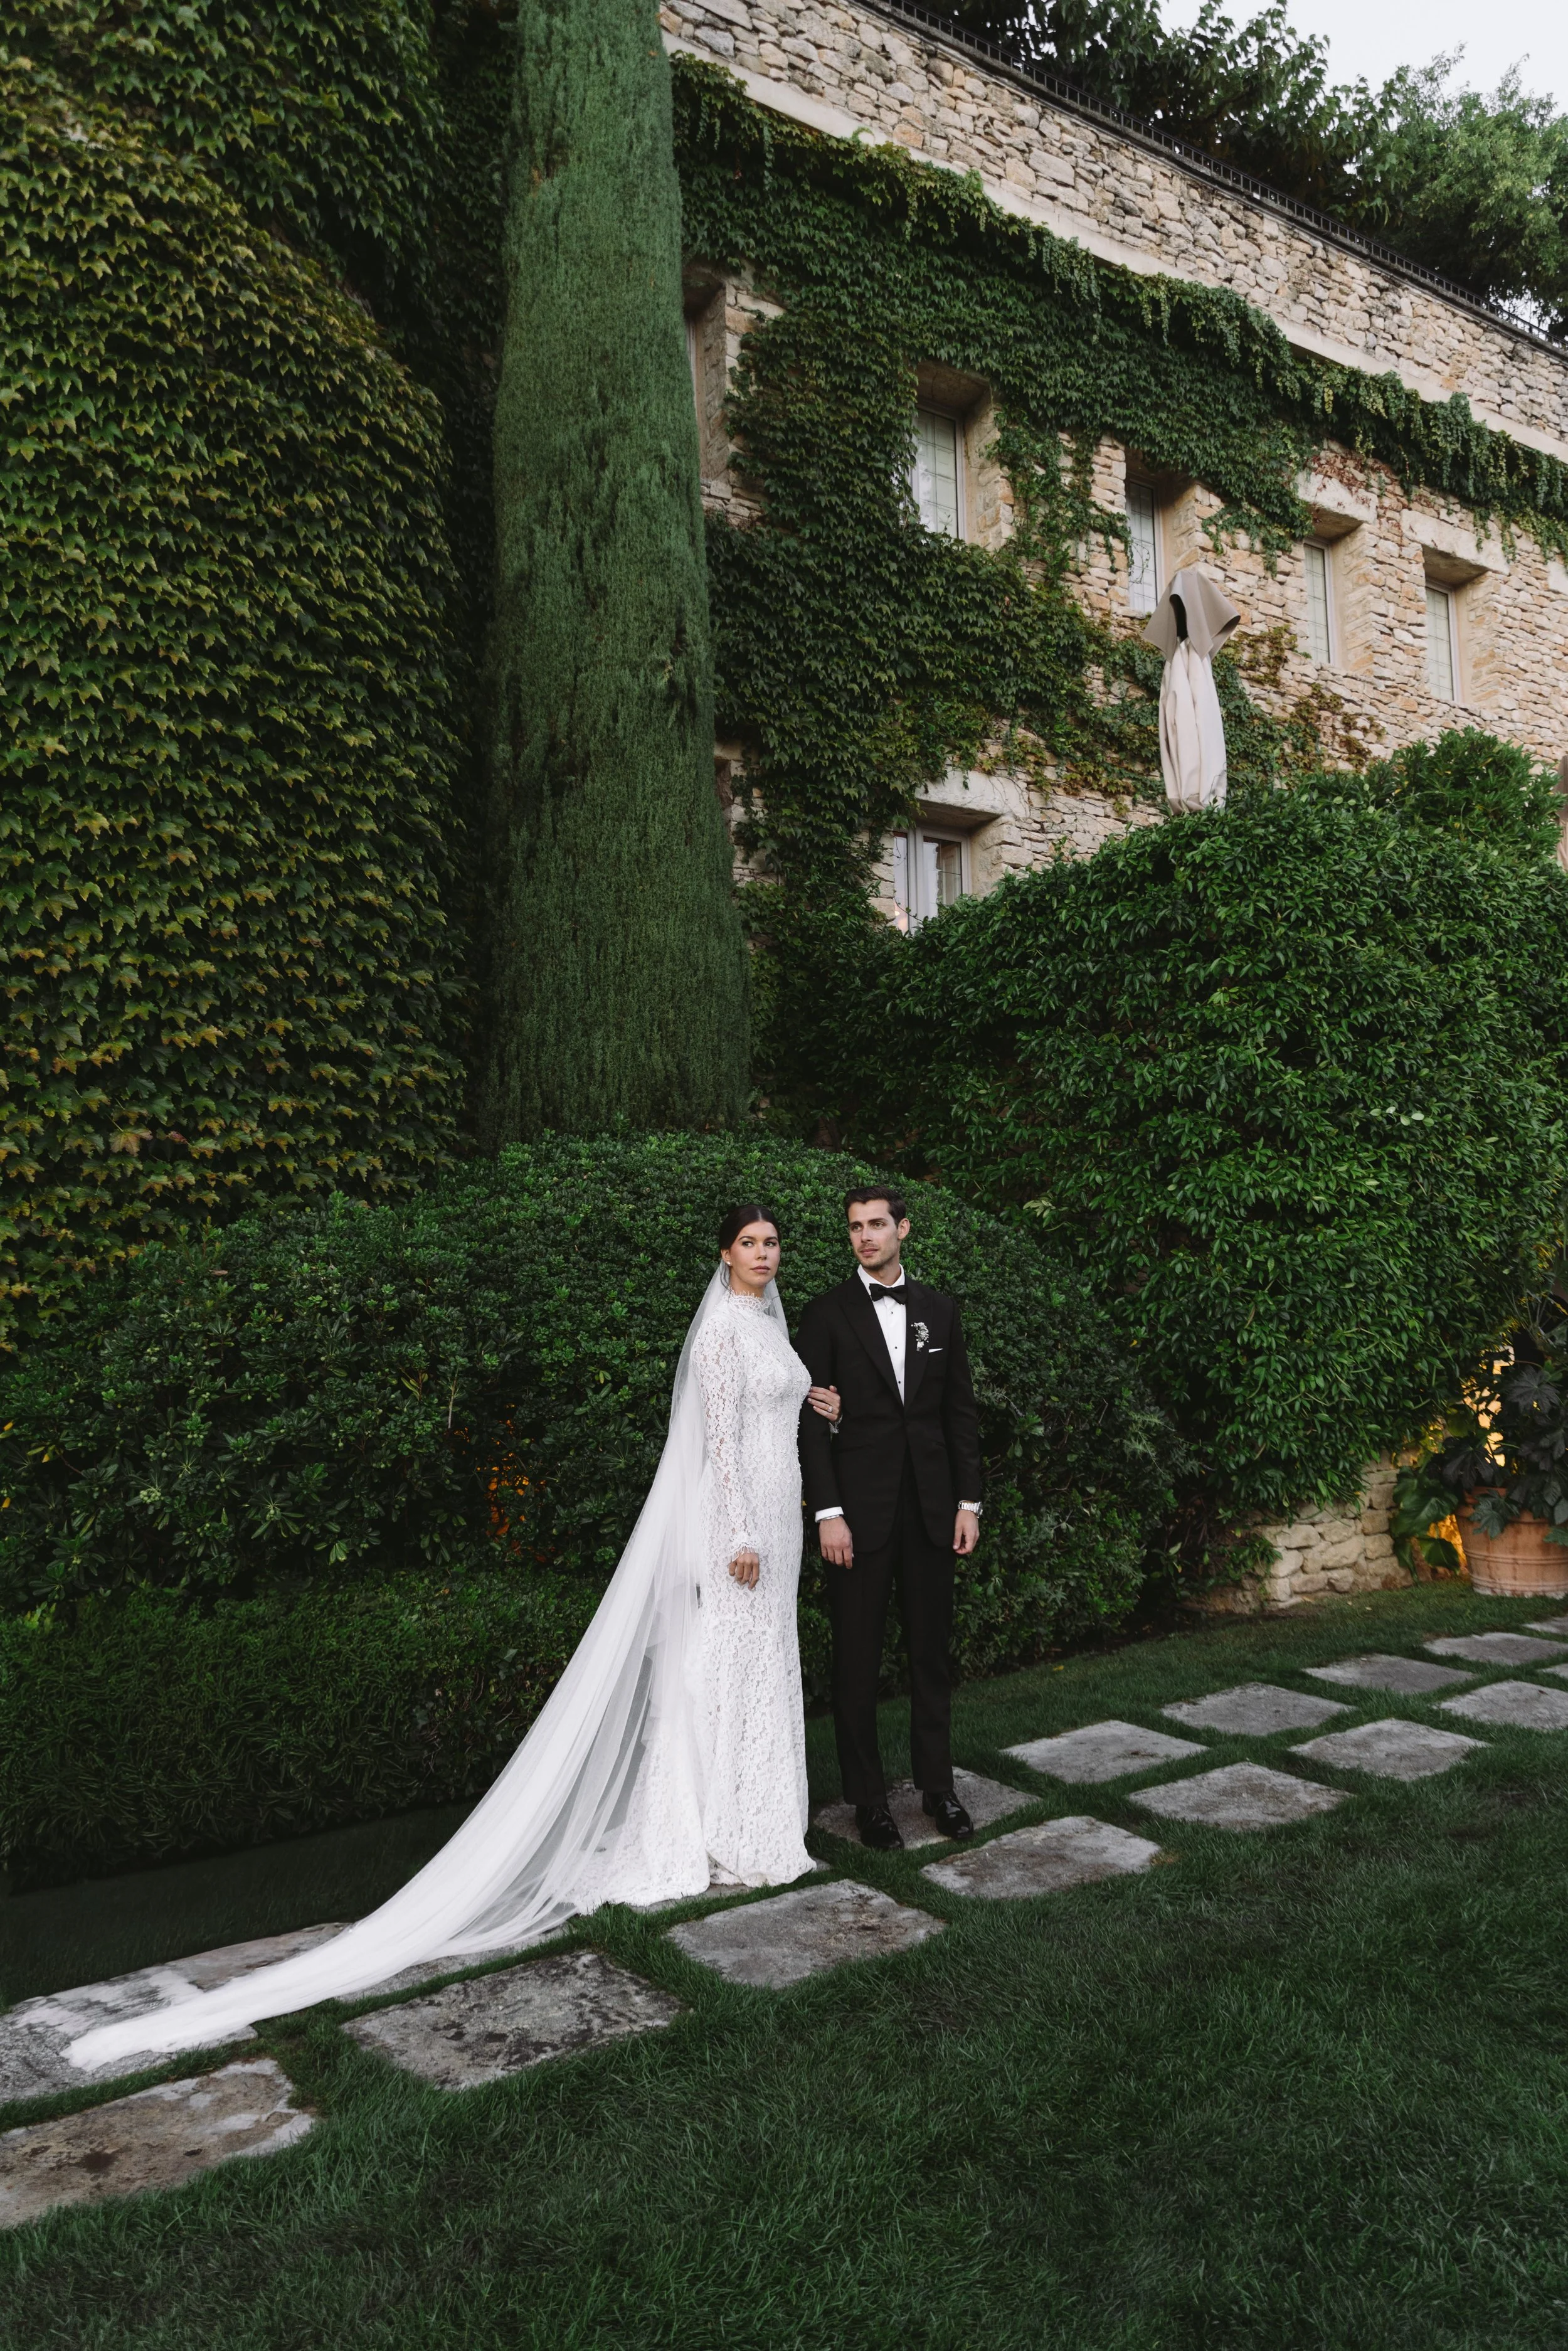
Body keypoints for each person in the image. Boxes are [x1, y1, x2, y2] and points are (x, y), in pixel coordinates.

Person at [69, 1207, 840, 2072]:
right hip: (741, 1527)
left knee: (759, 1664)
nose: (764, 1255)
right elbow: (720, 1441)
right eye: (750, 1244)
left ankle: (749, 1817)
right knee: (723, 1669)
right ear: (725, 1254)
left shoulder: (769, 1322)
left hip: (780, 1514)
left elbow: (771, 1411)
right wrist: (737, 1530)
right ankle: (717, 1825)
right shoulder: (720, 1332)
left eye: (772, 1244)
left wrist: (819, 1401)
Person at [795, 1188, 983, 1851]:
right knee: (857, 1661)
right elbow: (809, 1424)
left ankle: (938, 1788)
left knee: (931, 1655)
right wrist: (828, 1512)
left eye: (877, 1224)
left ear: (903, 1228)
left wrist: (968, 1503)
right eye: (855, 1227)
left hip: (933, 1510)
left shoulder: (940, 1311)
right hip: (857, 1514)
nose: (865, 1237)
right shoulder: (825, 1314)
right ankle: (869, 1801)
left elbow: (959, 1413)